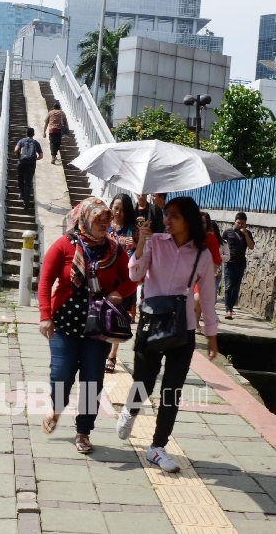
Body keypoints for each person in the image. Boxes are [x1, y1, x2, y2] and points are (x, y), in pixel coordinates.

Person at [117, 197, 219, 473]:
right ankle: (131, 409)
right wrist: (141, 243)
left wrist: (211, 334)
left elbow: (208, 296)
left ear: (188, 219)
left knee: (172, 389)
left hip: (182, 328)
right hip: (151, 322)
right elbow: (135, 274)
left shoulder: (202, 254)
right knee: (144, 383)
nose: (167, 220)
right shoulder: (154, 242)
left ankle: (157, 448)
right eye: (166, 214)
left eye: (173, 215)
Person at [38, 198, 136, 454]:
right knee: (61, 374)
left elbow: (131, 281)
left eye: (107, 220)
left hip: (98, 328)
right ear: (84, 220)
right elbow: (45, 281)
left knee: (92, 380)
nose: (105, 224)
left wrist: (117, 292)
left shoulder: (115, 249)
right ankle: (56, 407)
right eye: (98, 220)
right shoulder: (64, 245)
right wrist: (45, 315)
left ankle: (83, 432)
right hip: (64, 325)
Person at [105, 193, 138, 373]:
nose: (117, 212)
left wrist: (136, 242)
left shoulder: (133, 229)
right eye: (115, 208)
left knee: (119, 315)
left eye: (122, 210)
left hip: (125, 278)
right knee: (103, 312)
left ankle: (112, 353)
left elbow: (143, 249)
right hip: (106, 275)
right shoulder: (105, 225)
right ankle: (101, 347)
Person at [222, 212, 255, 320]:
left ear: (246, 224)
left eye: (243, 223)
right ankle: (227, 310)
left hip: (240, 264)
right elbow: (221, 246)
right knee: (228, 286)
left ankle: (231, 307)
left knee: (235, 288)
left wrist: (245, 234)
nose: (240, 225)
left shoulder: (247, 233)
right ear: (234, 221)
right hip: (229, 263)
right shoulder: (228, 232)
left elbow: (251, 247)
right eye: (238, 223)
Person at [14, 127, 43, 211]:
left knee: (20, 178)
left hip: (21, 163)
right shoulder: (36, 143)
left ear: (26, 134)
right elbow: (41, 156)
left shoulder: (21, 141)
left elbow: (16, 150)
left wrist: (19, 156)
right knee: (27, 183)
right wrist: (35, 159)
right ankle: (26, 203)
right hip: (31, 165)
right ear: (33, 134)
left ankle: (22, 194)